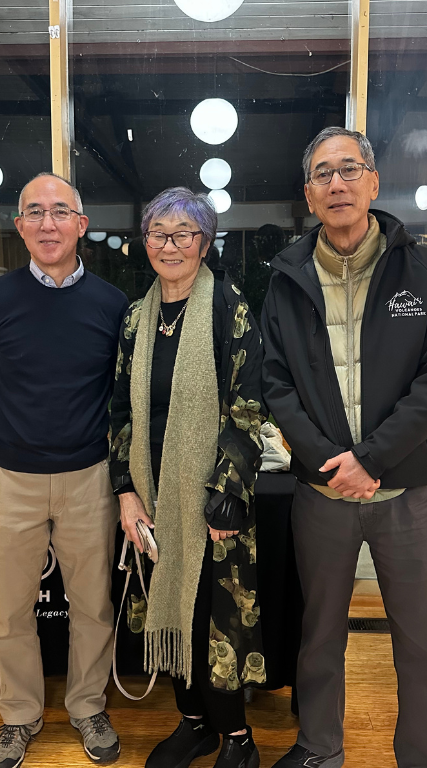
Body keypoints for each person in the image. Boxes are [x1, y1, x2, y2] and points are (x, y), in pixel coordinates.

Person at [261, 127, 427, 768]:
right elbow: (276, 383)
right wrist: (331, 463)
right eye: (323, 174)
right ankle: (319, 747)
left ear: (373, 181)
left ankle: (420, 757)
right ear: (309, 195)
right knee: (319, 635)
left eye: (349, 169)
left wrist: (371, 459)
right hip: (323, 495)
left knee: (421, 643)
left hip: (409, 492)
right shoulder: (286, 279)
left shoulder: (424, 271)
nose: (337, 183)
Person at [0, 172, 128, 768]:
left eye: (60, 211)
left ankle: (87, 706)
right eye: (34, 212)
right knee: (10, 611)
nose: (47, 222)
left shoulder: (113, 305)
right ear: (20, 227)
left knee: (92, 607)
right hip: (12, 478)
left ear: (81, 225)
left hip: (89, 478)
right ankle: (19, 716)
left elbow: (115, 392)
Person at [109, 187, 267, 768]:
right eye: (158, 233)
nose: (169, 245)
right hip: (152, 498)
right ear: (145, 242)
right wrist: (126, 491)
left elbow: (248, 406)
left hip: (213, 499)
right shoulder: (136, 318)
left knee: (210, 621)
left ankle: (237, 738)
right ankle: (194, 725)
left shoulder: (229, 308)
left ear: (205, 243)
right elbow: (120, 412)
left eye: (183, 234)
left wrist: (227, 492)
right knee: (169, 607)